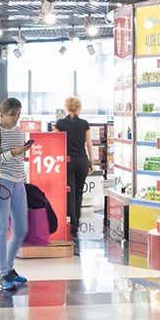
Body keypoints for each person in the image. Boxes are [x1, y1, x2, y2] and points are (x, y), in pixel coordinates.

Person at [0, 98, 31, 291]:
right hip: (1, 182)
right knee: (2, 229)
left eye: (18, 115)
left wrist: (21, 156)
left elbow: (19, 160)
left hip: (19, 183)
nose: (15, 119)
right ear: (2, 114)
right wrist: (13, 152)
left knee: (21, 229)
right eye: (12, 115)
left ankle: (10, 269)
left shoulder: (19, 132)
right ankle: (3, 274)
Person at [54, 96, 92, 239]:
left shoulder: (60, 124)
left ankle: (72, 222)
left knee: (70, 191)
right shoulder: (84, 124)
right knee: (79, 191)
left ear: (66, 107)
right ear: (79, 108)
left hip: (67, 161)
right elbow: (88, 144)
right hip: (82, 160)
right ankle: (77, 221)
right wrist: (92, 162)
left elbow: (55, 142)